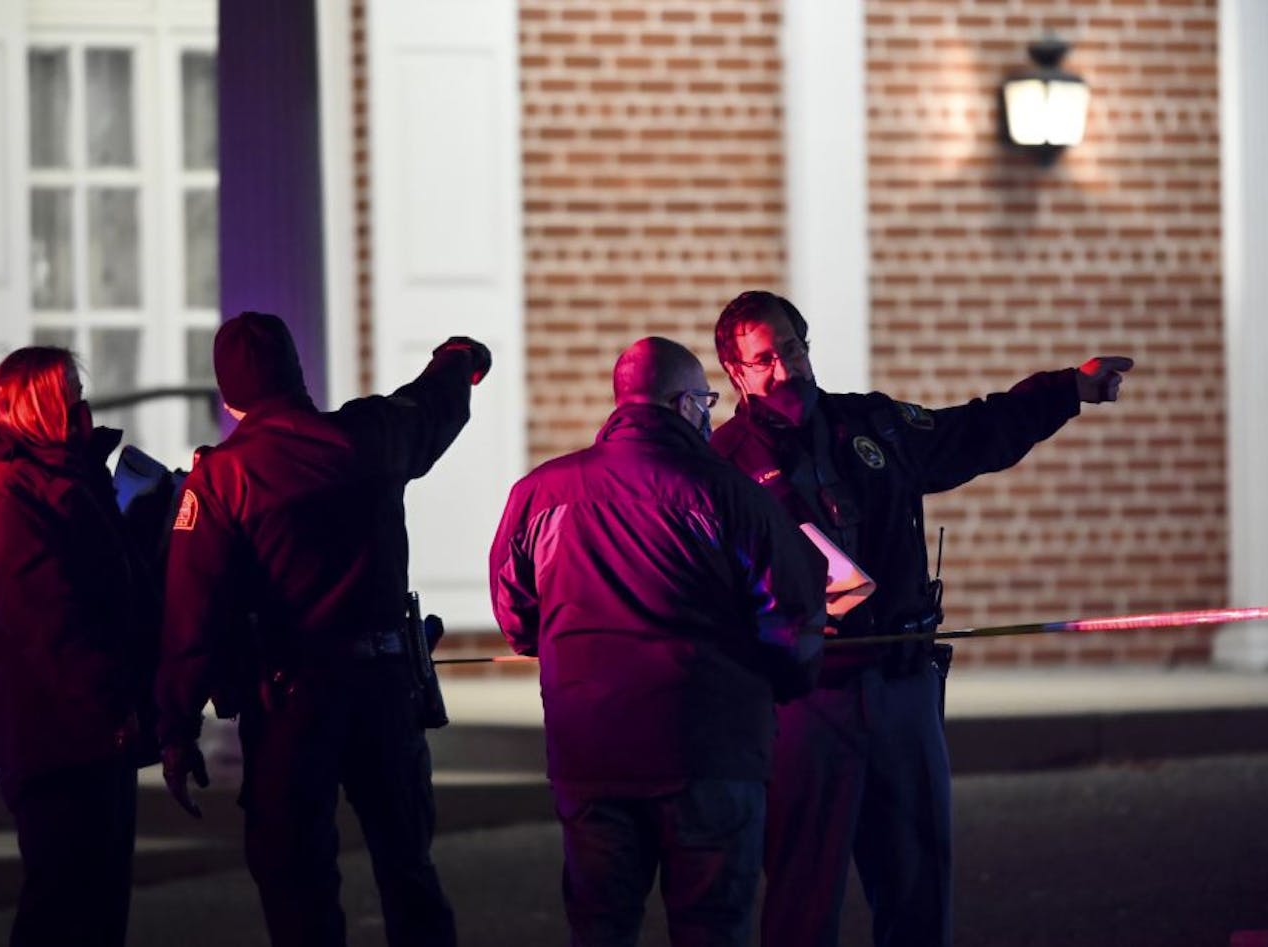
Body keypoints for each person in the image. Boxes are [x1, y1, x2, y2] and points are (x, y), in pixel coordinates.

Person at [708, 290, 1133, 947]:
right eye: (764, 360)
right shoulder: (723, 462)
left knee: (919, 890)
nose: (785, 370)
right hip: (805, 703)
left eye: (791, 349)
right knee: (803, 899)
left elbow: (974, 432)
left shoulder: (874, 423)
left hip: (904, 687)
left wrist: (1067, 390)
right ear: (736, 373)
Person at [155, 311, 489, 947]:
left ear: (228, 398)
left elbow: (188, 614)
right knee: (409, 871)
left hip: (290, 706)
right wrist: (461, 354)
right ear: (298, 374)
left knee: (297, 884)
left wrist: (175, 727)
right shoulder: (373, 435)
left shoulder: (222, 478)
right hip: (389, 689)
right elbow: (434, 398)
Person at [489, 336, 828, 947]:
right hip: (709, 751)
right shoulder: (731, 494)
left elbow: (516, 619)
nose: (710, 413)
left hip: (590, 754)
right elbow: (791, 623)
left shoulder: (539, 493)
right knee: (711, 928)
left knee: (601, 927)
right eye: (706, 400)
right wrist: (785, 683)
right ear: (683, 405)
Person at [0, 346, 154, 946]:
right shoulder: (8, 498)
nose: (84, 408)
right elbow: (47, 626)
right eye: (72, 396)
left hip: (88, 734)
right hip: (57, 740)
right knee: (65, 907)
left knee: (93, 907)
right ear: (45, 407)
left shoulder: (60, 480)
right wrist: (110, 707)